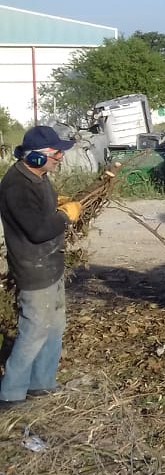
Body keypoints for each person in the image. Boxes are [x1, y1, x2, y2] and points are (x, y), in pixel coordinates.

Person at [0, 126, 83, 408]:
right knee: (34, 330)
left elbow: (40, 212)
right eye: (55, 153)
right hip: (33, 267)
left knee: (55, 326)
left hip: (51, 263)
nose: (60, 157)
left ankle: (41, 384)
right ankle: (11, 392)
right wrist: (64, 216)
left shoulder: (39, 176)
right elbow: (36, 230)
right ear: (34, 156)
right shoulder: (16, 186)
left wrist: (56, 204)